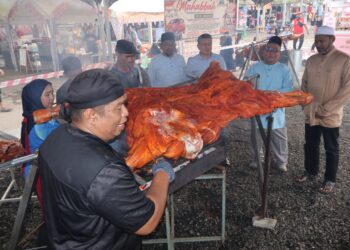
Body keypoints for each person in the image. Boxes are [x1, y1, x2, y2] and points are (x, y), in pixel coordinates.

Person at [39, 69, 175, 249]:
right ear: (91, 115)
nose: (126, 113)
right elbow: (147, 223)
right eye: (118, 108)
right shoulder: (105, 173)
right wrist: (162, 174)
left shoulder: (54, 139)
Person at [297, 26, 350, 193]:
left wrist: (327, 109)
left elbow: (347, 88)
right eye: (316, 41)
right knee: (310, 144)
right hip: (311, 111)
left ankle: (330, 180)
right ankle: (311, 172)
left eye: (322, 41)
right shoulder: (312, 60)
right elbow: (304, 83)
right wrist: (304, 103)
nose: (318, 44)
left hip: (331, 114)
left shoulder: (344, 59)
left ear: (332, 40)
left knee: (331, 148)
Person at [245, 36, 293, 172]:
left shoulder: (284, 69)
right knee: (256, 136)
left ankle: (281, 161)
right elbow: (246, 85)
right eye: (269, 50)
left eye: (275, 51)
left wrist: (272, 96)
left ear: (279, 54)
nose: (271, 53)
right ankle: (256, 159)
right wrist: (257, 95)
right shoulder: (255, 67)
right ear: (264, 52)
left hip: (276, 110)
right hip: (257, 108)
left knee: (279, 137)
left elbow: (288, 88)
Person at [20, 79, 60, 206]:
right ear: (35, 98)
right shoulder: (39, 124)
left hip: (40, 169)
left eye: (52, 93)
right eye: (47, 95)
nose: (52, 98)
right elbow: (63, 138)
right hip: (40, 174)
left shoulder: (32, 116)